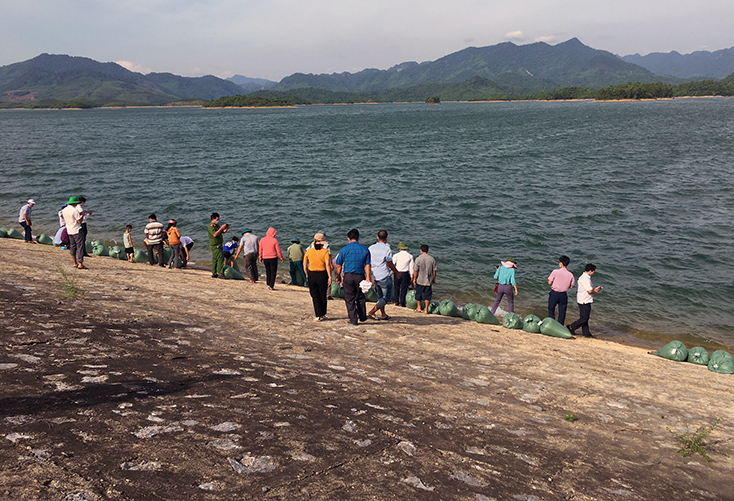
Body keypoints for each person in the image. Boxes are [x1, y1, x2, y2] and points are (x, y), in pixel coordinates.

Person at [335, 229, 371, 325]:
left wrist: (338, 276)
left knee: (349, 299)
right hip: (360, 276)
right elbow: (367, 265)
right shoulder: (365, 249)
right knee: (360, 297)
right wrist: (368, 277)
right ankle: (362, 316)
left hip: (348, 276)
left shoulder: (344, 249)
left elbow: (338, 265)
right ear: (358, 238)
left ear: (348, 239)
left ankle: (353, 319)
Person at [367, 230, 400, 320]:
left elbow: (368, 263)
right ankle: (371, 312)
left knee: (380, 297)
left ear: (378, 238)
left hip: (375, 276)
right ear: (386, 239)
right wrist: (397, 272)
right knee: (386, 298)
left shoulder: (371, 248)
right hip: (384, 275)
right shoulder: (387, 249)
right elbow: (389, 263)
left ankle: (383, 314)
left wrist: (368, 275)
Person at [303, 233, 333, 321]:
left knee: (315, 295)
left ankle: (318, 314)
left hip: (312, 274)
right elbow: (327, 265)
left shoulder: (309, 251)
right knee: (322, 294)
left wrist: (306, 274)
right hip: (322, 274)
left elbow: (304, 264)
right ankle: (323, 313)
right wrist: (330, 276)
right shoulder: (325, 251)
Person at [568, 263, 602, 338]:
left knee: (584, 317)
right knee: (584, 318)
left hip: (583, 299)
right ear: (590, 271)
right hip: (584, 300)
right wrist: (596, 291)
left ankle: (586, 333)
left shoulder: (584, 277)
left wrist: (594, 290)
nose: (594, 273)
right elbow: (589, 291)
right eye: (593, 271)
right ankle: (571, 327)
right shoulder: (585, 279)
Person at [547, 255, 575, 325]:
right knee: (562, 312)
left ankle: (551, 324)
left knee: (551, 309)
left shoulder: (555, 271)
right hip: (563, 294)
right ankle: (560, 326)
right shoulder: (570, 274)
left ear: (561, 263)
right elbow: (571, 286)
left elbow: (549, 282)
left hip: (554, 293)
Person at [61, 196, 87, 269]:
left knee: (72, 246)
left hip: (69, 230)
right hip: (77, 229)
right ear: (75, 203)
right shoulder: (74, 210)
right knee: (80, 247)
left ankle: (74, 263)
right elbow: (79, 221)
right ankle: (80, 263)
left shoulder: (64, 210)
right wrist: (82, 215)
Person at [412, 244, 436, 313]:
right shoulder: (432, 259)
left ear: (421, 250)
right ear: (427, 250)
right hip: (428, 281)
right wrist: (434, 278)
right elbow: (434, 270)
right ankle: (426, 309)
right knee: (427, 296)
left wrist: (414, 278)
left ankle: (419, 308)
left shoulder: (418, 259)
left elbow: (415, 270)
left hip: (420, 280)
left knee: (418, 294)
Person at [392, 241, 414, 307]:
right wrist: (411, 276)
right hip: (405, 273)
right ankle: (402, 302)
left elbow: (393, 264)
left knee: (396, 287)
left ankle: (396, 301)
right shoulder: (410, 256)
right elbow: (411, 267)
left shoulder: (396, 255)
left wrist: (392, 272)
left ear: (399, 248)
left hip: (397, 272)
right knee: (404, 288)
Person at [208, 213, 230, 278]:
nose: (218, 220)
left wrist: (226, 228)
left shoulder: (216, 226)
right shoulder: (210, 227)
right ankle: (220, 273)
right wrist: (221, 228)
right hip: (215, 246)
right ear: (213, 219)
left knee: (215, 259)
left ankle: (214, 273)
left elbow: (222, 232)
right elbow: (214, 234)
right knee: (220, 258)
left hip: (219, 245)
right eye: (217, 219)